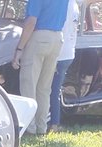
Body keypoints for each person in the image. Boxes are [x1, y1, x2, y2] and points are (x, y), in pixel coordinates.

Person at [12, 0, 69, 136]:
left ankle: (29, 127)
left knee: (29, 84)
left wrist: (20, 48)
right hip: (57, 37)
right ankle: (41, 126)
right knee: (44, 88)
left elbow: (31, 21)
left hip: (39, 36)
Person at [48, 0, 79, 130]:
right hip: (69, 52)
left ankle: (52, 122)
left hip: (59, 52)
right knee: (55, 89)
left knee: (49, 90)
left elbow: (59, 28)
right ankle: (54, 121)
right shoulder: (74, 5)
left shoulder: (63, 5)